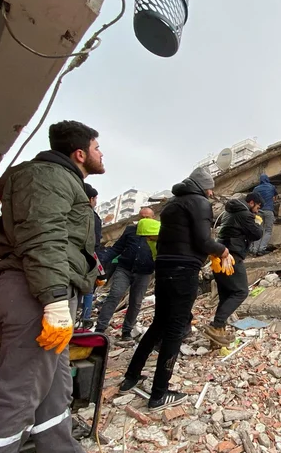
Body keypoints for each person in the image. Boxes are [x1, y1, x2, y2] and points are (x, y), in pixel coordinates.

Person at [0, 120, 104, 453]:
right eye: (96, 147)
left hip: (40, 291)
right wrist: (54, 299)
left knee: (52, 395)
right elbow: (42, 237)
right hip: (33, 294)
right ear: (80, 153)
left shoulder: (59, 179)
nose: (101, 153)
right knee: (17, 397)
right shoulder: (47, 176)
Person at [119, 168, 230, 411]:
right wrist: (222, 250)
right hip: (183, 270)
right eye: (210, 187)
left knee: (159, 323)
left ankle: (132, 376)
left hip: (165, 267)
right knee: (175, 330)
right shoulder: (199, 202)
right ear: (202, 187)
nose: (212, 192)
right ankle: (159, 393)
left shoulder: (172, 204)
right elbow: (203, 240)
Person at [206, 193, 263, 347]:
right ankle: (217, 325)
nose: (257, 211)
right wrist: (257, 222)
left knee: (226, 295)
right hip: (232, 257)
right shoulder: (245, 214)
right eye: (257, 207)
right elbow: (257, 234)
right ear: (251, 202)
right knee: (241, 292)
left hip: (220, 256)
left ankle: (218, 336)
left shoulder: (228, 212)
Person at [95, 207, 156, 341]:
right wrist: (103, 260)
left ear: (153, 218)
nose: (145, 219)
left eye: (148, 217)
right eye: (142, 217)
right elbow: (117, 248)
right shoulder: (130, 230)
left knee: (136, 302)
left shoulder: (157, 233)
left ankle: (127, 332)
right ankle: (100, 328)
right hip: (125, 269)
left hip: (144, 273)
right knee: (115, 295)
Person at [81, 184, 104, 327]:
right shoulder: (92, 216)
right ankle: (85, 318)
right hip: (88, 256)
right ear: (91, 199)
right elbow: (94, 241)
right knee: (88, 289)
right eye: (95, 199)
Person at [250, 174, 278, 256]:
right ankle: (261, 249)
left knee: (259, 230)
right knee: (268, 230)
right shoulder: (271, 187)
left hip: (258, 211)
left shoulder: (256, 189)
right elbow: (275, 198)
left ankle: (254, 250)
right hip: (269, 211)